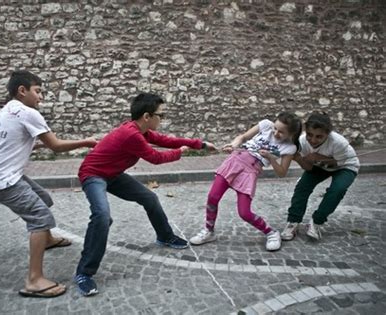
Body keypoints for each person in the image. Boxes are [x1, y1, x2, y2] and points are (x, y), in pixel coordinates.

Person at [74, 92, 216, 296]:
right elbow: (156, 158)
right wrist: (182, 152)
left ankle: (165, 236)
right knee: (102, 216)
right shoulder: (132, 134)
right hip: (93, 175)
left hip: (112, 174)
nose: (162, 119)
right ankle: (84, 273)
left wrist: (200, 144)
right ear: (147, 117)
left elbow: (167, 141)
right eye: (161, 115)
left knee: (149, 198)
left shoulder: (142, 131)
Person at [0, 70, 97, 298]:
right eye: (38, 91)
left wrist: (43, 143)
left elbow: (23, 141)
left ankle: (48, 240)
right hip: (2, 180)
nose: (41, 97)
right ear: (22, 91)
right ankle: (34, 280)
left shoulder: (7, 111)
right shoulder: (28, 113)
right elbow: (56, 146)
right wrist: (87, 141)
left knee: (44, 199)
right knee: (40, 218)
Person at [190, 112, 302, 251]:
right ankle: (209, 231)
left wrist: (271, 158)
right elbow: (243, 137)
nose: (275, 133)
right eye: (275, 128)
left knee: (244, 212)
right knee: (212, 197)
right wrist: (233, 144)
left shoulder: (289, 148)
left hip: (250, 171)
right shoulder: (266, 125)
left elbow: (282, 173)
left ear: (291, 134)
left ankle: (271, 233)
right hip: (234, 160)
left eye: (281, 132)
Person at [281, 112, 359, 241]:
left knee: (337, 190)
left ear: (327, 134)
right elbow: (309, 168)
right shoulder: (302, 142)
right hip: (320, 167)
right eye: (310, 135)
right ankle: (293, 222)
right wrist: (299, 159)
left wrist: (318, 157)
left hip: (345, 166)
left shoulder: (339, 142)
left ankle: (316, 222)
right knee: (302, 187)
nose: (313, 140)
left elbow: (339, 162)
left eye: (319, 136)